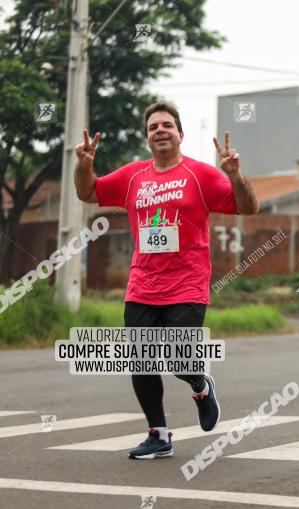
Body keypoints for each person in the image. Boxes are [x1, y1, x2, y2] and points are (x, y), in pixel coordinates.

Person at [74, 101, 258, 459]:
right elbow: (87, 193)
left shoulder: (201, 175)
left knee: (177, 358)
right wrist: (84, 165)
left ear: (180, 134)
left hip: (187, 283)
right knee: (141, 359)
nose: (160, 130)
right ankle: (158, 434)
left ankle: (201, 386)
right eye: (153, 127)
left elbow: (248, 206)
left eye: (167, 125)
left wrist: (235, 174)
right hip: (142, 284)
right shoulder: (132, 177)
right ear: (147, 139)